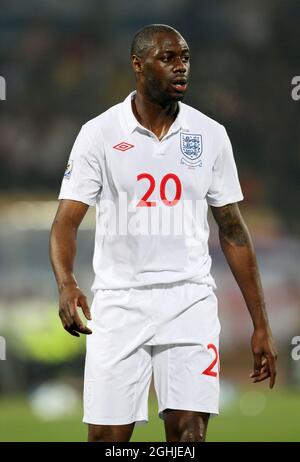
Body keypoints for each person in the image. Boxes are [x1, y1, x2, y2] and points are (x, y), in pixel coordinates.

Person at [49, 24, 277, 442]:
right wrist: (67, 283)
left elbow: (234, 232)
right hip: (119, 304)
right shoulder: (99, 134)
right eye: (168, 58)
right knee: (107, 440)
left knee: (189, 435)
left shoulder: (210, 135)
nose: (181, 67)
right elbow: (65, 221)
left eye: (185, 58)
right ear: (138, 65)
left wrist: (260, 324)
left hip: (189, 302)